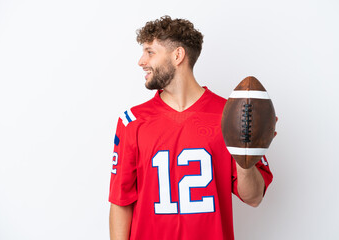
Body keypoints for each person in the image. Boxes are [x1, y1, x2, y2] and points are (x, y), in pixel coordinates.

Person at [109, 15, 273, 240]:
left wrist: (245, 158)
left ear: (178, 55)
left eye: (150, 52)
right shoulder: (132, 121)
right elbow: (121, 202)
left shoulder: (231, 116)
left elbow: (254, 198)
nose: (141, 61)